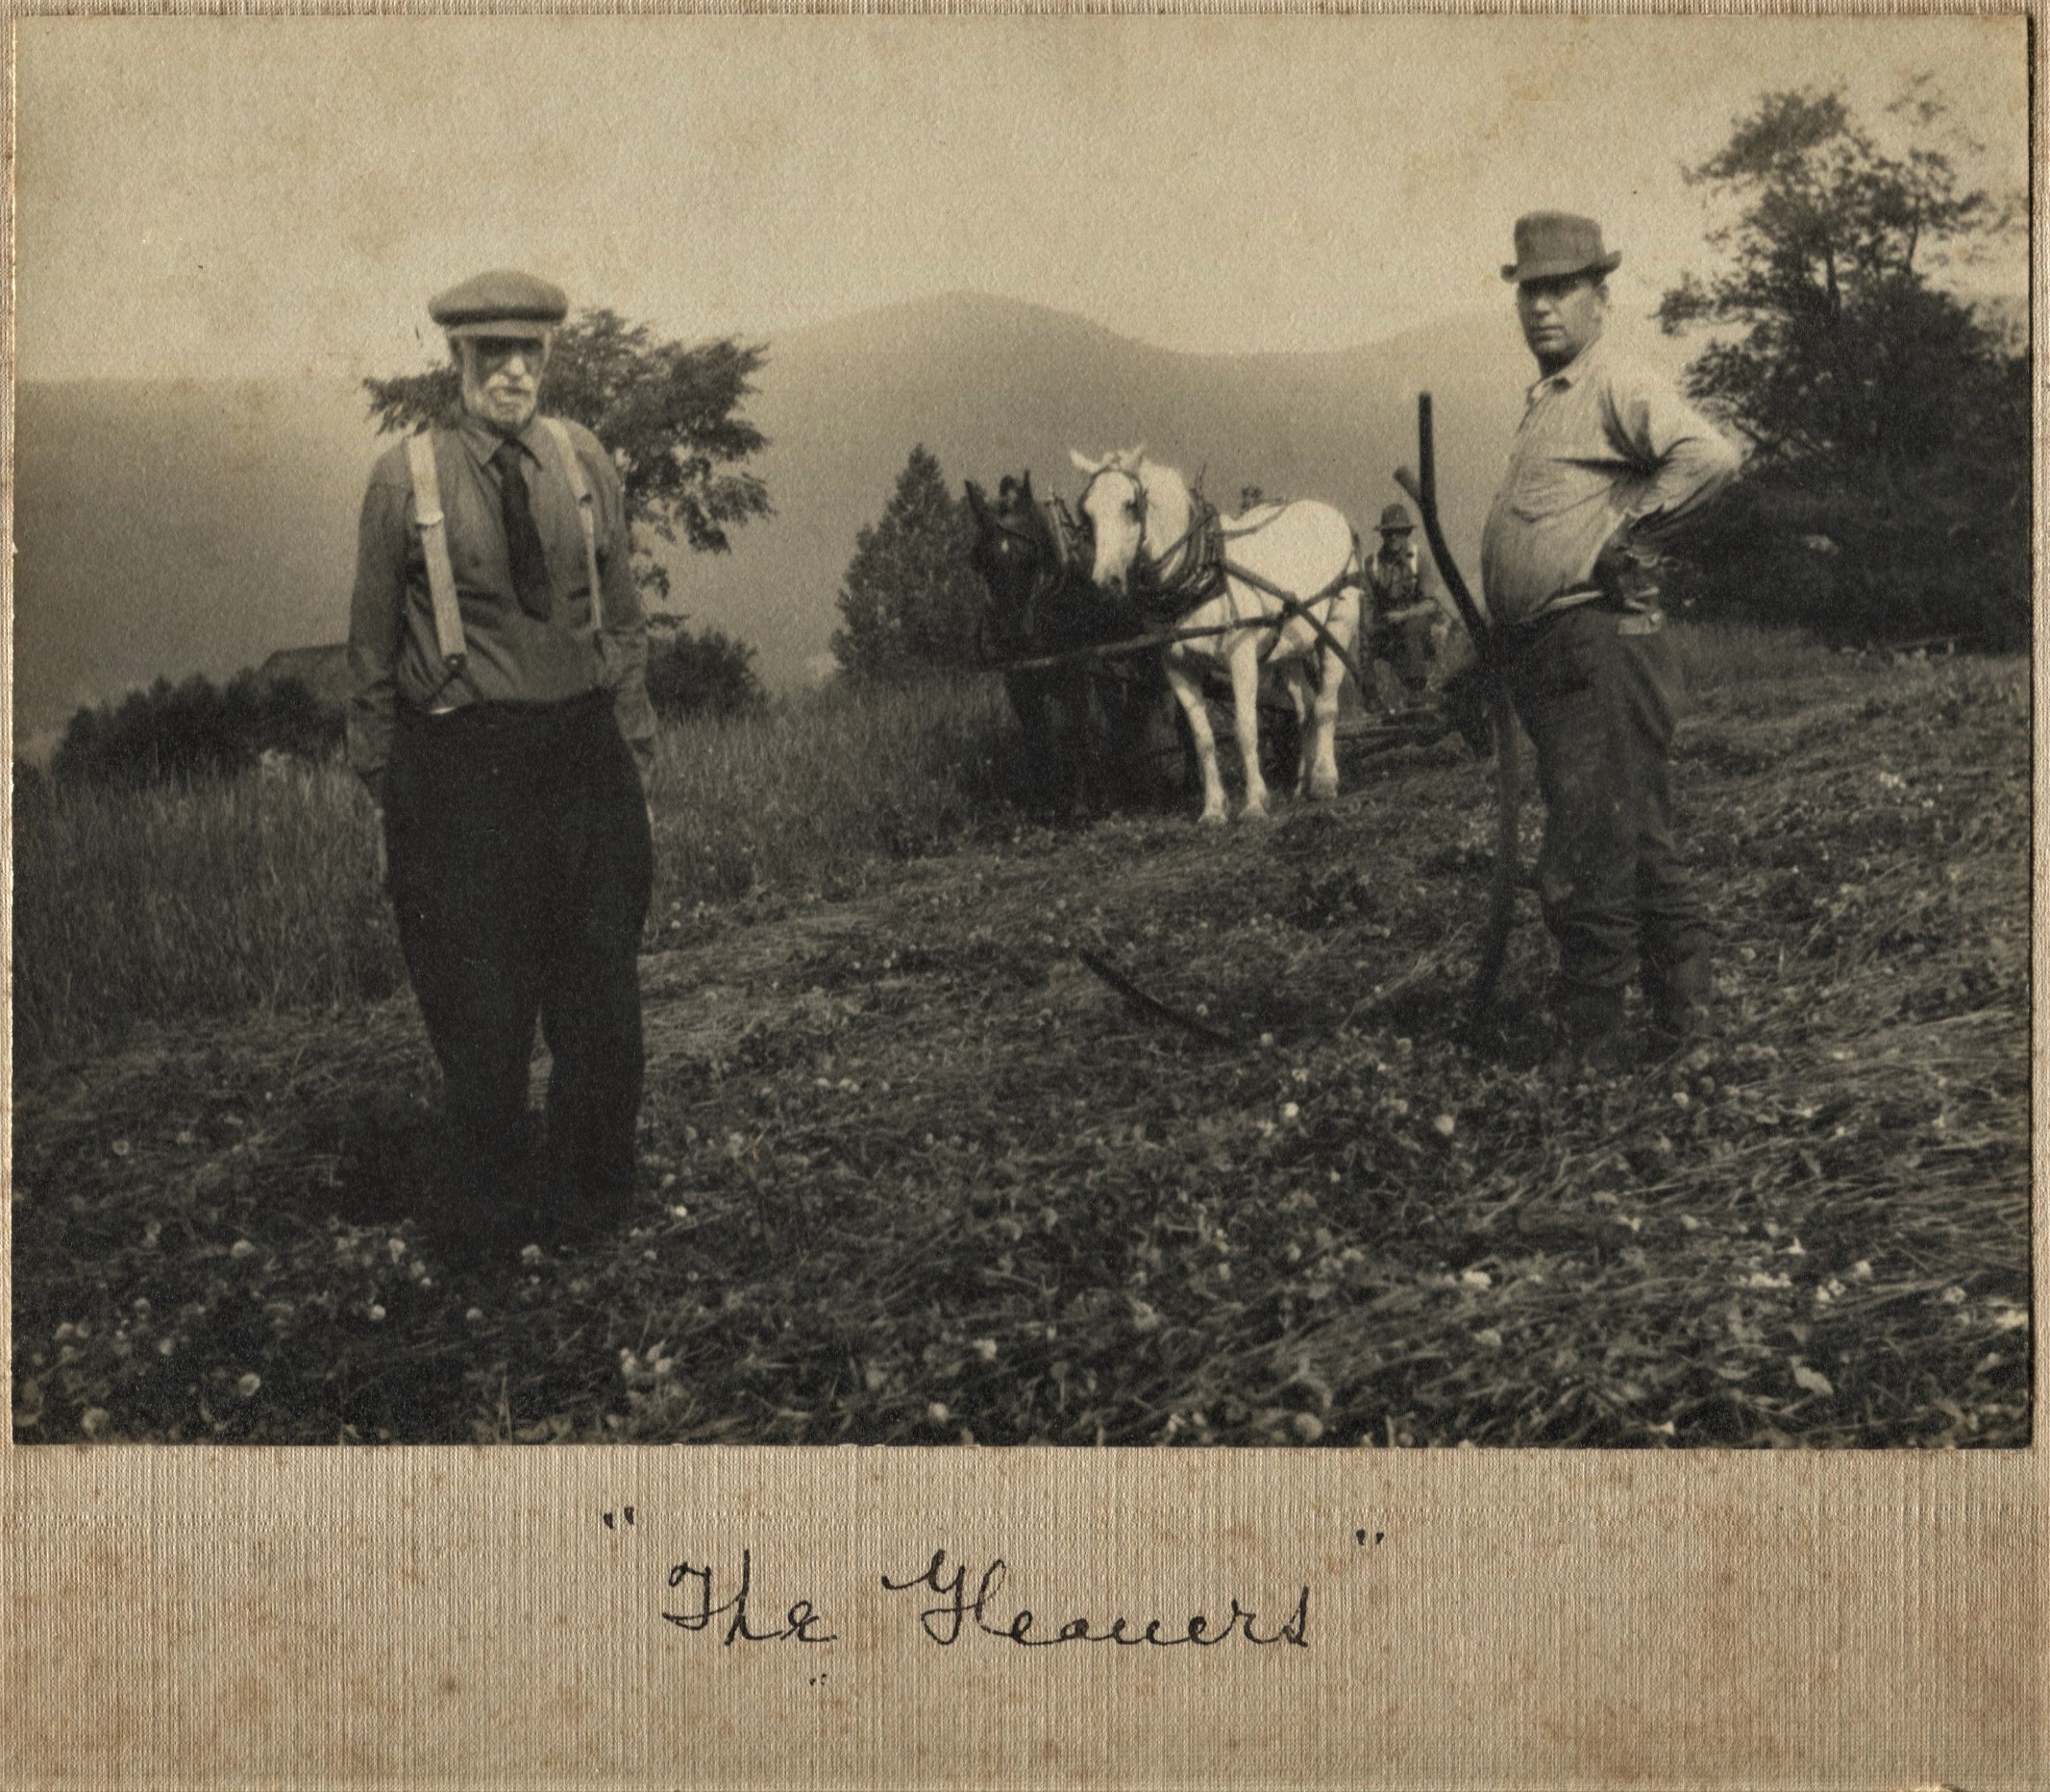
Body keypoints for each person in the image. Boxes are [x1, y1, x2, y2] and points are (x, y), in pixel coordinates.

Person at [348, 270, 657, 1264]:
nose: (514, 372)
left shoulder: (583, 459)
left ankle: (589, 1206)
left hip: (583, 756)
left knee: (600, 996)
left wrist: (632, 752)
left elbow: (623, 616)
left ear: (548, 357)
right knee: (481, 1014)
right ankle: (483, 1226)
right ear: (458, 360)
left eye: (530, 353)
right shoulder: (405, 479)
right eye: (493, 355)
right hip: (462, 771)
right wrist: (387, 798)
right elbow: (368, 657)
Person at [1479, 213, 1741, 1069]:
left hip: (1600, 645)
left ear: (1600, 298)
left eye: (1562, 289)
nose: (1541, 307)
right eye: (1530, 290)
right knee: (1630, 831)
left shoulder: (1611, 383)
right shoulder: (1550, 399)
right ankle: (1684, 1021)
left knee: (1591, 842)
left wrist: (1630, 536)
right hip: (1559, 652)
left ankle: (1588, 1038)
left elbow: (1708, 457)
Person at [1363, 502, 1444, 711]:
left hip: (1414, 626)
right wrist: (1368, 627)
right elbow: (1367, 603)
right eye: (1388, 533)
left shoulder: (1418, 559)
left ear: (1406, 533)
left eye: (1398, 532)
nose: (1393, 537)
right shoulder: (1372, 564)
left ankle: (1416, 694)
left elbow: (1431, 604)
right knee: (1362, 641)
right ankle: (1372, 698)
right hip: (1385, 627)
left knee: (1411, 629)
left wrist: (1405, 615)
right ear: (1382, 535)